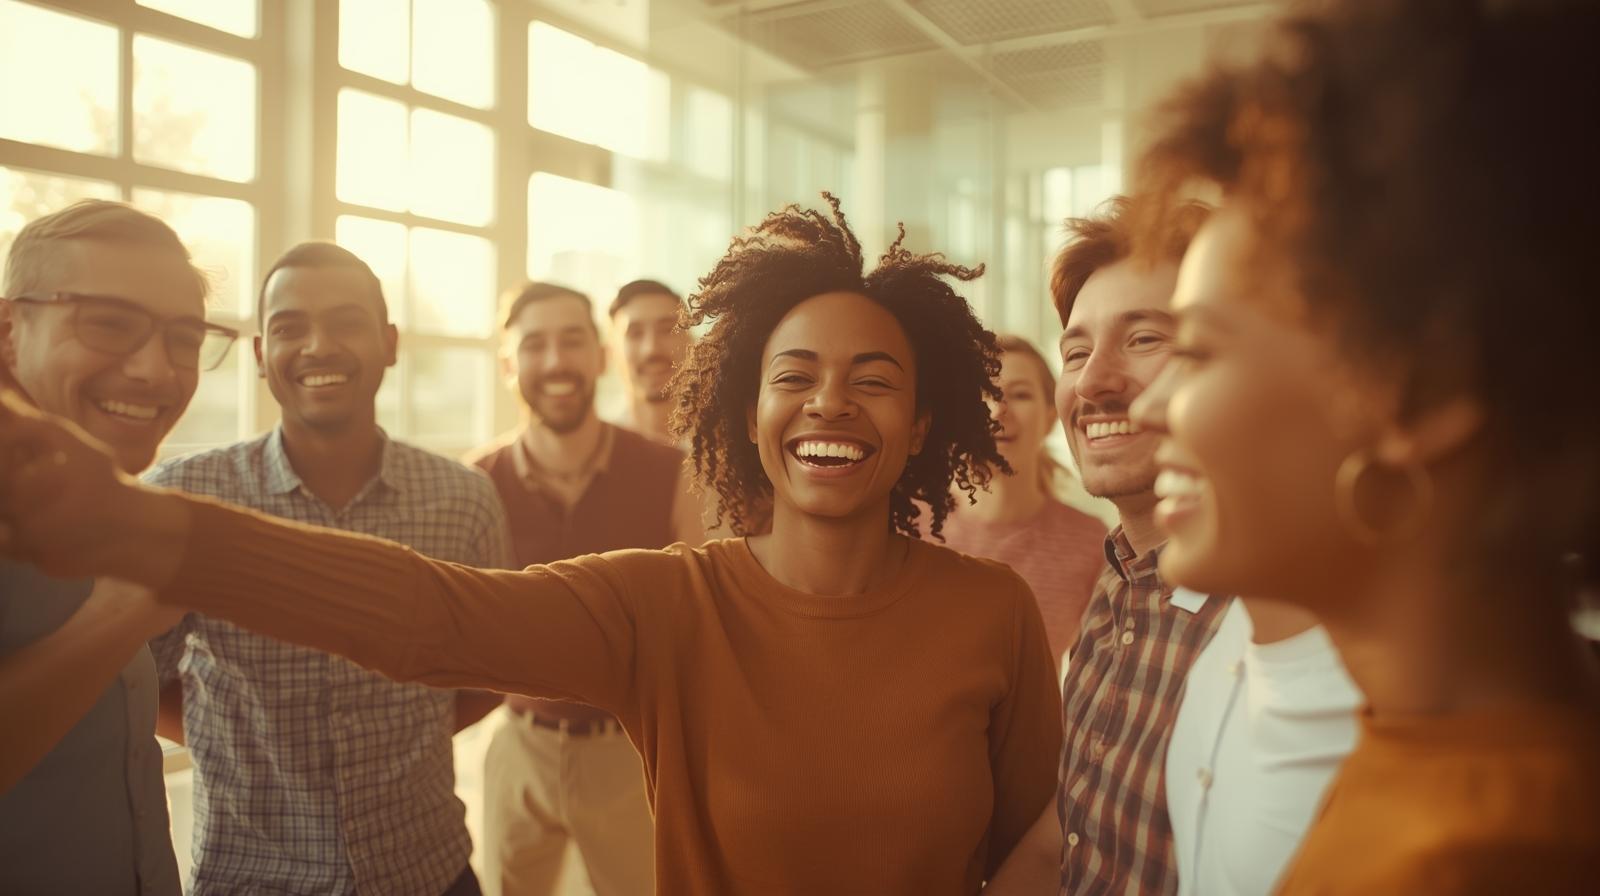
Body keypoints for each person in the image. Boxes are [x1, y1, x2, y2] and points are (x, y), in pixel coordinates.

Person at [0, 195, 1063, 896]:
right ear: (746, 414)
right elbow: (432, 616)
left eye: (872, 379)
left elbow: (1038, 839)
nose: (829, 400)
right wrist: (155, 531)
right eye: (792, 376)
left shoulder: (988, 611)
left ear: (921, 425)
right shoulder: (668, 604)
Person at [1128, 0, 1600, 891]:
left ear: (1416, 393)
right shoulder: (1434, 755)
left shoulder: (1489, 859)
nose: (1149, 405)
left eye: (1193, 350)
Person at [146, 242, 511, 896]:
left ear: (390, 342)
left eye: (347, 322)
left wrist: (407, 731)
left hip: (426, 869)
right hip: (250, 877)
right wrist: (235, 740)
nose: (318, 346)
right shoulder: (187, 494)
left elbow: (490, 671)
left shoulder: (464, 499)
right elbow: (139, 683)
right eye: (289, 328)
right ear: (260, 355)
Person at [984, 194, 1224, 896]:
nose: (1092, 382)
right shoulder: (1118, 583)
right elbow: (1070, 830)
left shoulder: (1268, 617)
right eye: (1077, 350)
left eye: (1144, 338)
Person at [0, 199, 235, 894]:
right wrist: (130, 610)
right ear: (9, 331)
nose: (156, 371)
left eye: (185, 338)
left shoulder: (113, 499)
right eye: (109, 324)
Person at [467, 280, 697, 896]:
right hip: (517, 746)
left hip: (630, 754)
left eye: (572, 341)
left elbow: (698, 626)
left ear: (600, 356)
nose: (555, 361)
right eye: (534, 345)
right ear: (508, 365)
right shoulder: (474, 485)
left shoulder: (671, 473)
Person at [937, 334, 1108, 663]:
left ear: (1050, 416)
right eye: (982, 394)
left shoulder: (1088, 542)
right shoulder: (904, 525)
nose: (999, 409)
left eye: (1020, 395)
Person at [609, 278, 692, 447]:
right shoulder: (602, 451)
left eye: (667, 329)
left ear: (692, 342)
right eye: (635, 333)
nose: (651, 349)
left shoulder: (731, 444)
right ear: (611, 352)